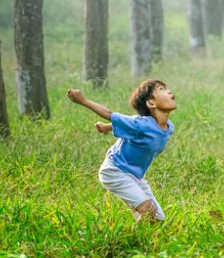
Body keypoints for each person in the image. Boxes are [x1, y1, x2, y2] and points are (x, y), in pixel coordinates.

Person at [66, 80, 176, 222]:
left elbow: (129, 125)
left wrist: (106, 127)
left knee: (158, 219)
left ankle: (140, 224)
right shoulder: (141, 124)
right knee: (148, 211)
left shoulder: (168, 127)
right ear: (151, 103)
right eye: (161, 89)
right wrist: (83, 100)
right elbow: (109, 114)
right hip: (115, 170)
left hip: (135, 176)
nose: (168, 91)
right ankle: (130, 240)